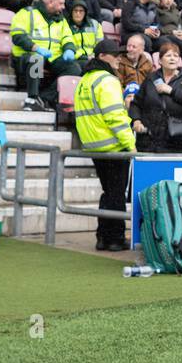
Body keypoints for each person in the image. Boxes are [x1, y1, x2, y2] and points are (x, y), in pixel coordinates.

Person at [72, 38, 135, 251]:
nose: (119, 58)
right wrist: (131, 144)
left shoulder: (84, 80)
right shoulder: (107, 80)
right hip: (113, 147)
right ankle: (115, 239)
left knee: (108, 192)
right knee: (116, 194)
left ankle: (103, 237)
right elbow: (115, 117)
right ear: (101, 57)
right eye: (114, 54)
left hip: (94, 146)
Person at [10, 0, 80, 111]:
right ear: (50, 2)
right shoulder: (26, 13)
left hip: (51, 58)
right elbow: (17, 36)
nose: (63, 7)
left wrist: (69, 49)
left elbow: (68, 38)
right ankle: (32, 98)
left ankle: (43, 98)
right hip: (26, 57)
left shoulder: (61, 20)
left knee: (74, 68)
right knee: (36, 59)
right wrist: (35, 48)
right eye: (61, 4)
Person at [129, 40, 182, 153]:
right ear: (160, 61)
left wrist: (172, 91)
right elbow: (136, 103)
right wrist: (136, 120)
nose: (172, 58)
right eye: (168, 55)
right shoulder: (151, 79)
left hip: (177, 141)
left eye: (176, 56)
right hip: (149, 141)